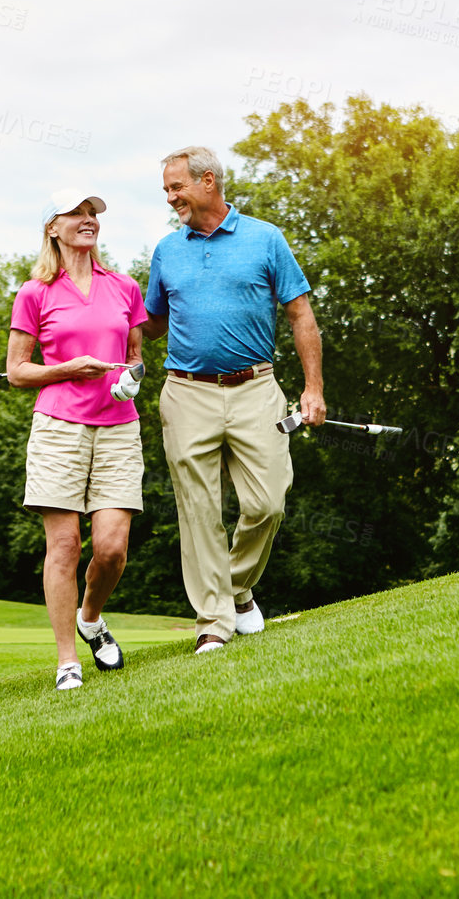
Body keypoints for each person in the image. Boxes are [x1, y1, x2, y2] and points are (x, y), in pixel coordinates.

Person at [139, 146, 325, 655]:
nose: (170, 197)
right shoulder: (166, 251)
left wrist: (313, 389)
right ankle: (214, 622)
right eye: (166, 189)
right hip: (185, 392)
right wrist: (113, 314)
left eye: (176, 186)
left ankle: (236, 587)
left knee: (268, 501)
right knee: (198, 511)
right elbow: (151, 324)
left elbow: (301, 316)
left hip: (256, 388)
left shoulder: (265, 239)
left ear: (207, 182)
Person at [8, 190, 149, 691]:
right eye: (77, 214)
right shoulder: (34, 292)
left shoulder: (125, 287)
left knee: (111, 549)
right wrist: (66, 369)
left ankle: (91, 617)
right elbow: (17, 372)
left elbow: (136, 356)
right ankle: (68, 659)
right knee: (64, 545)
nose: (87, 220)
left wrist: (132, 377)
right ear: (53, 227)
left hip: (117, 426)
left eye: (93, 214)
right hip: (58, 428)